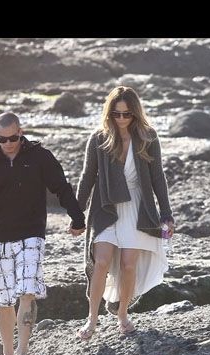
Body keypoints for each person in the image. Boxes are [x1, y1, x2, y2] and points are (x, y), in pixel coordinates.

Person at [0, 111, 85, 355]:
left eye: (12, 138)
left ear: (20, 132)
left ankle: (23, 354)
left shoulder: (39, 157)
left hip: (32, 235)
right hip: (0, 238)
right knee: (3, 300)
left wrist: (78, 218)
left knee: (27, 292)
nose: (8, 143)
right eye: (2, 139)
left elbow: (61, 188)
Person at [75, 86, 175, 340]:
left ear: (135, 113)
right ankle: (92, 319)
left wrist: (166, 213)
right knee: (101, 262)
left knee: (129, 265)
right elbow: (87, 176)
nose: (121, 119)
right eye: (116, 114)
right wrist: (77, 213)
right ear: (109, 113)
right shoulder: (99, 138)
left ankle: (122, 315)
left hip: (137, 207)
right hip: (106, 207)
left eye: (126, 114)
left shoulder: (148, 137)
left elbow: (157, 177)